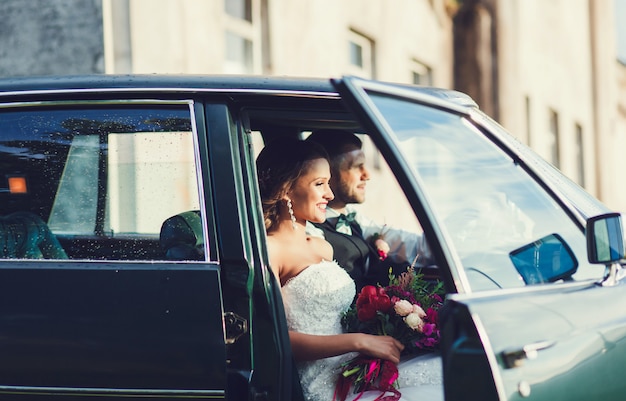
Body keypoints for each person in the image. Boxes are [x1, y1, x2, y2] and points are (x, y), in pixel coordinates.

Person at [256, 138, 442, 401]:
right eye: (319, 184)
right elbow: (274, 338)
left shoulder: (323, 247)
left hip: (352, 367)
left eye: (329, 183)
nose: (330, 195)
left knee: (445, 369)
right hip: (321, 384)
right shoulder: (270, 250)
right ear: (287, 189)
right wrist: (359, 342)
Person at [305, 130, 431, 290]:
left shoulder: (356, 219)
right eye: (357, 167)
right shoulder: (309, 232)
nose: (367, 175)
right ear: (328, 173)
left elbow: (413, 246)